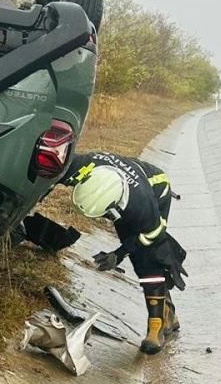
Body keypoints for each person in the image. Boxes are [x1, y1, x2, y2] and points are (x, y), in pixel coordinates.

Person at [63, 151, 188, 355]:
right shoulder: (86, 164)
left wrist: (120, 253)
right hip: (128, 182)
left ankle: (156, 327)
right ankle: (168, 312)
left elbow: (150, 234)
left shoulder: (141, 206)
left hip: (157, 190)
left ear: (115, 206)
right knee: (134, 245)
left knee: (147, 257)